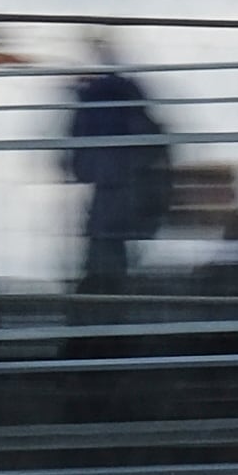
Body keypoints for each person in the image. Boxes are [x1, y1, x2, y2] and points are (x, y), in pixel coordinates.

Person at [62, 29, 174, 295]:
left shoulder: (106, 97)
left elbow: (79, 166)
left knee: (104, 254)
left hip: (117, 195)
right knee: (107, 253)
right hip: (126, 196)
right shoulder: (126, 96)